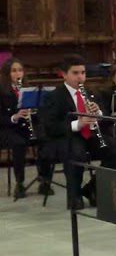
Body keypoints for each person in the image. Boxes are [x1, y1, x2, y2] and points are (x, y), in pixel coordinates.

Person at [38, 55, 104, 212]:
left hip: (90, 135)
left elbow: (104, 116)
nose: (80, 77)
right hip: (65, 137)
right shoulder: (54, 96)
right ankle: (74, 195)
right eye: (75, 73)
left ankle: (91, 188)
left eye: (83, 72)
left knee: (115, 150)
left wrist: (98, 113)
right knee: (76, 153)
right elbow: (51, 126)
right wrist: (77, 124)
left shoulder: (91, 92)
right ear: (64, 75)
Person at [0, 58, 41, 199]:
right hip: (7, 129)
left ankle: (44, 179)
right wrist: (15, 117)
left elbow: (38, 116)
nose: (18, 74)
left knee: (45, 139)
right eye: (14, 71)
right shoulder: (2, 91)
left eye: (20, 70)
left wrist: (34, 112)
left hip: (25, 128)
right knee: (19, 143)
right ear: (7, 73)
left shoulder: (29, 90)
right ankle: (20, 183)